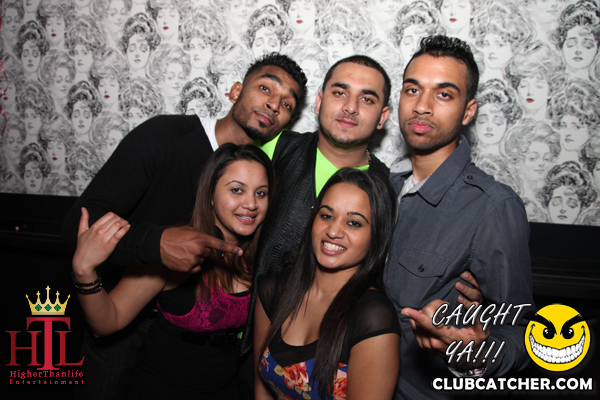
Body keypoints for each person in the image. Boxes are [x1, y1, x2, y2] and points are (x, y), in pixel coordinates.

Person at [61, 52, 306, 400]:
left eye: (287, 104)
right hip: (122, 311)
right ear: (236, 90)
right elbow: (78, 223)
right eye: (266, 88)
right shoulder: (166, 136)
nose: (273, 104)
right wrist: (156, 244)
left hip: (200, 342)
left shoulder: (261, 174)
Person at [384, 35, 535, 399]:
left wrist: (475, 354)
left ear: (468, 111)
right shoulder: (383, 186)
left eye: (444, 94)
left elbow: (520, 333)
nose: (422, 106)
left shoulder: (493, 207)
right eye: (412, 90)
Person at [72, 144, 273, 399]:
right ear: (210, 194)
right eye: (237, 190)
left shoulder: (264, 256)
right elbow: (107, 322)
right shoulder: (175, 249)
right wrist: (84, 271)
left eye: (261, 193)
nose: (251, 204)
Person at [254, 169, 400, 400]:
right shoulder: (275, 290)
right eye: (326, 216)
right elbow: (262, 390)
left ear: (376, 235)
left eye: (353, 223)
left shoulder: (373, 318)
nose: (333, 231)